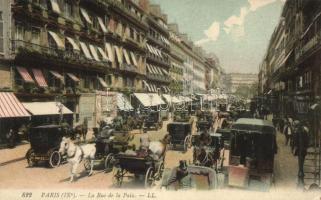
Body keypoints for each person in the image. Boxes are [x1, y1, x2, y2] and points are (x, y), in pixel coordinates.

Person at [294, 121, 310, 187]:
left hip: (300, 149)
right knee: (302, 160)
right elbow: (307, 141)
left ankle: (300, 171)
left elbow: (295, 141)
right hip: (303, 149)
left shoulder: (297, 132)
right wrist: (306, 147)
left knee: (300, 160)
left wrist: (296, 146)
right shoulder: (305, 132)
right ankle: (301, 171)